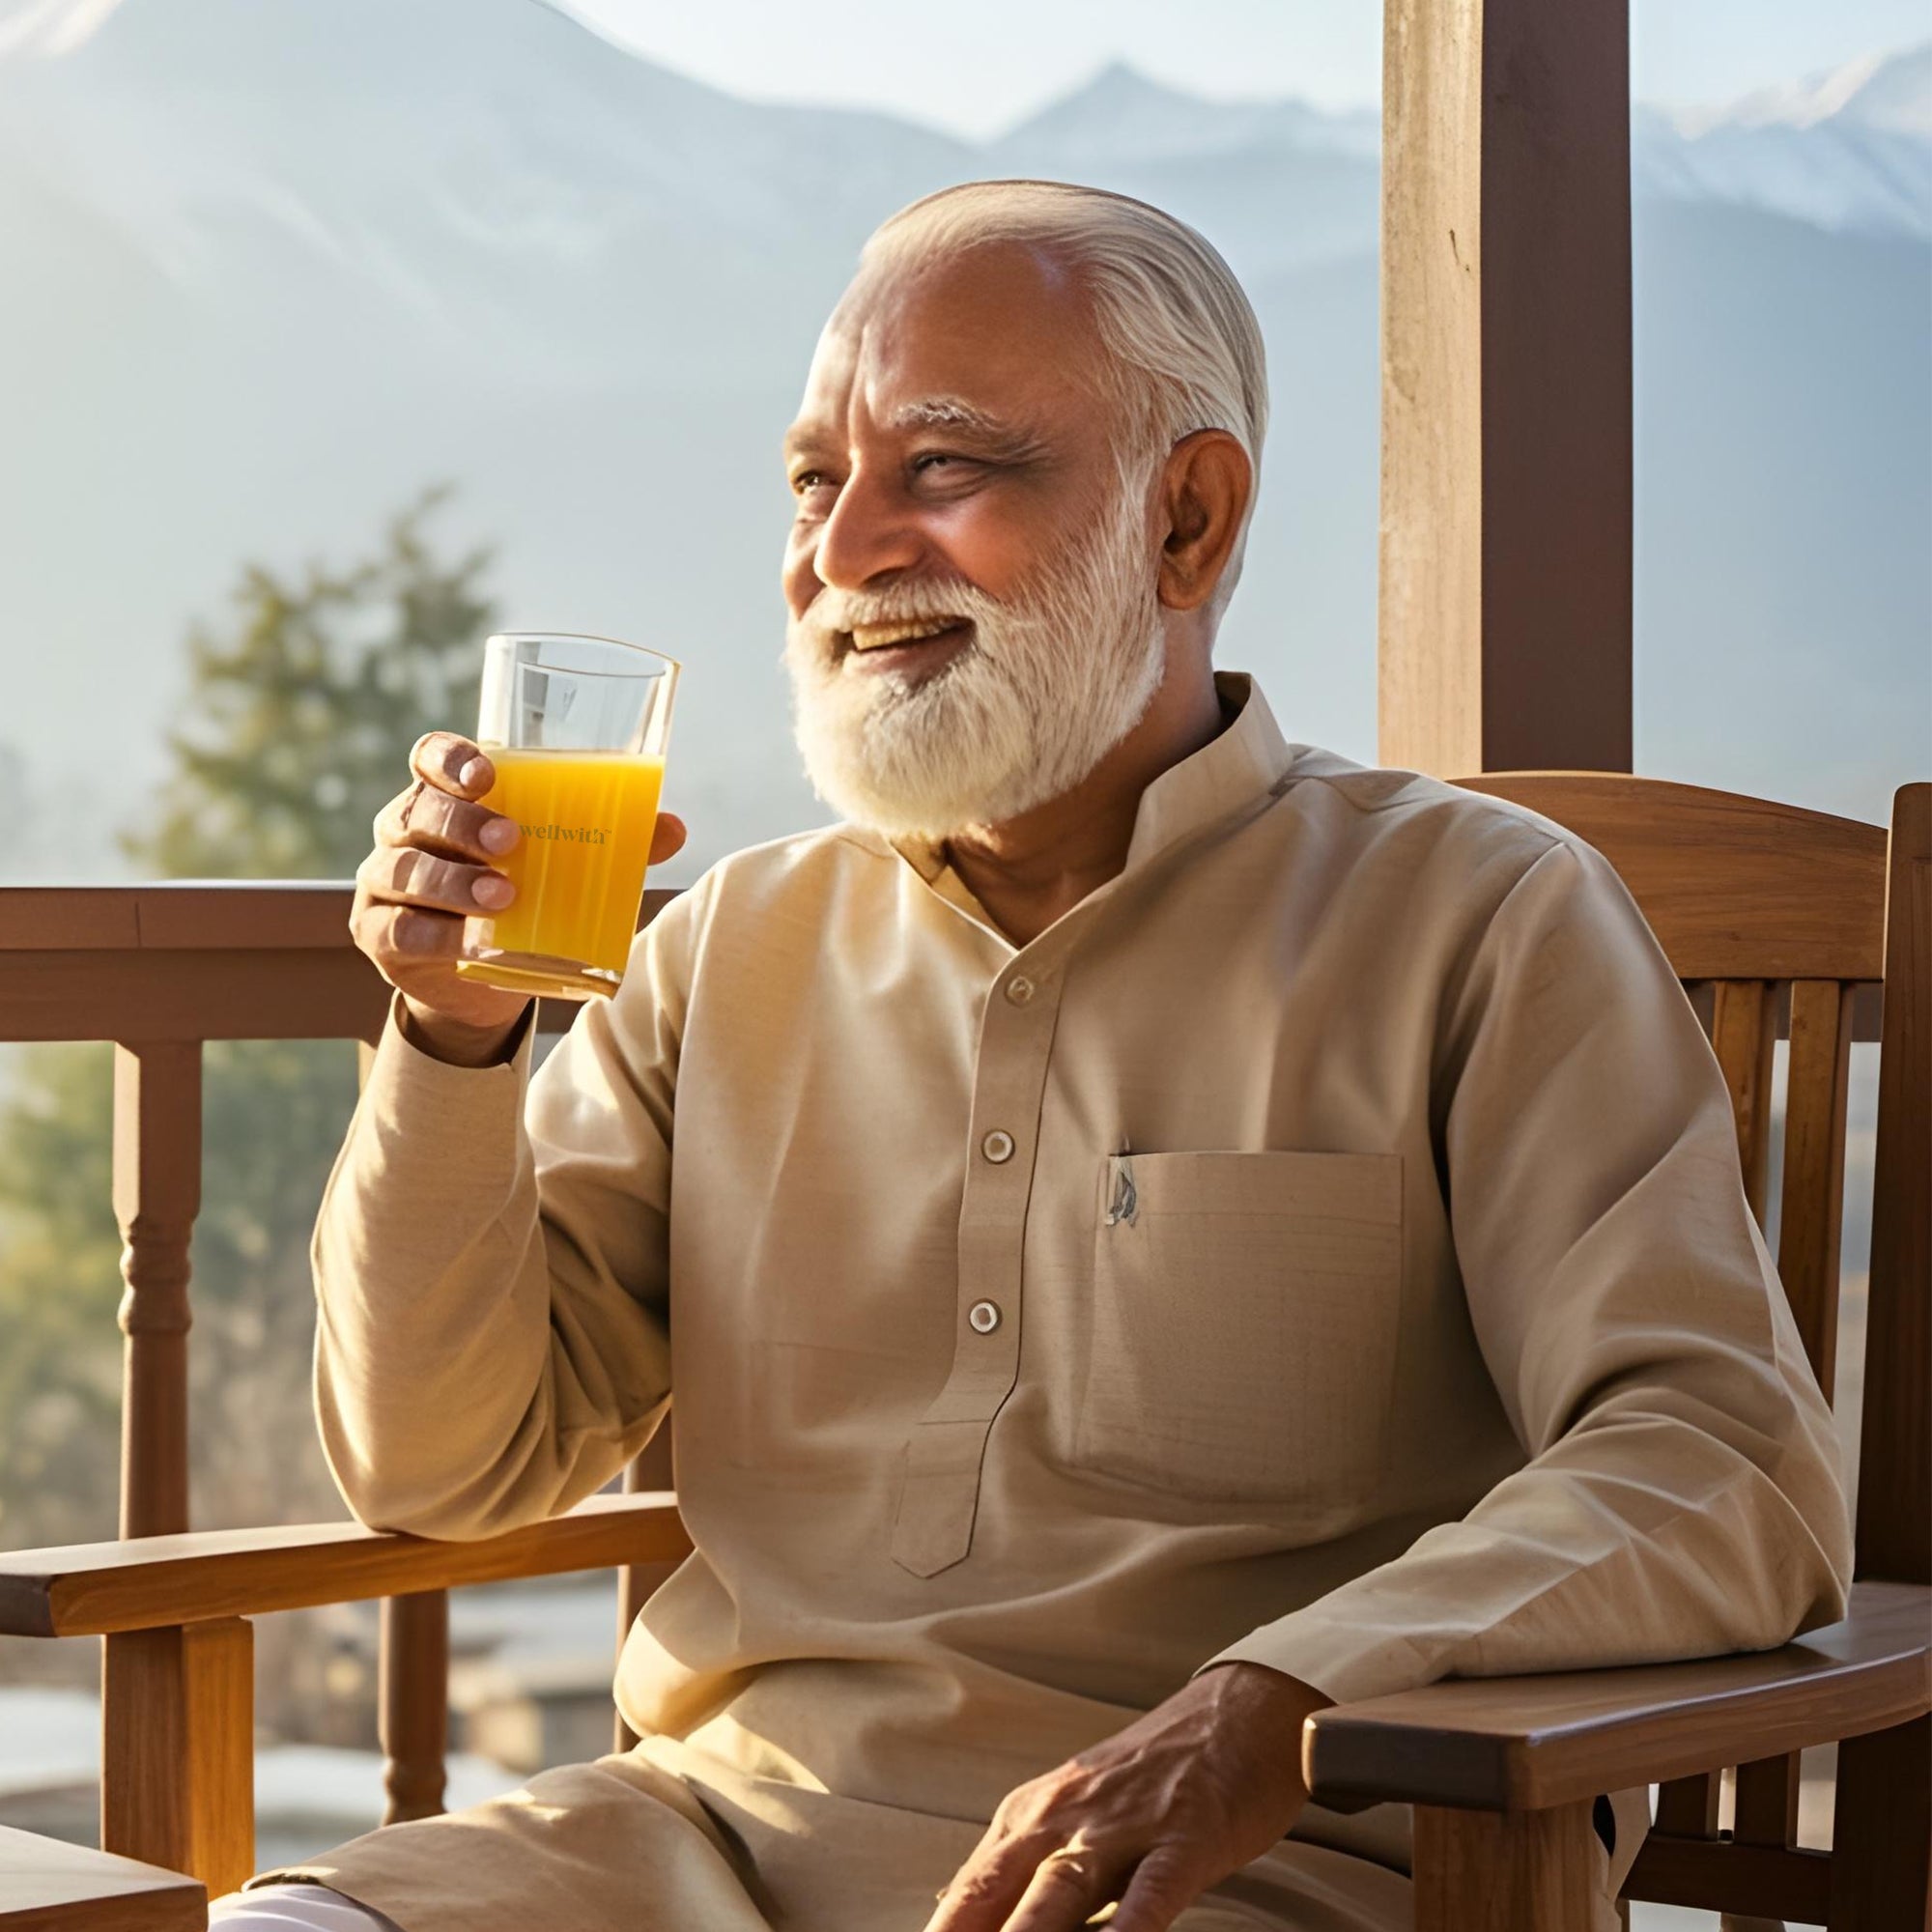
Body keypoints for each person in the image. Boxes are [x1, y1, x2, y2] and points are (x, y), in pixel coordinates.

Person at [216, 181, 1850, 1932]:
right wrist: (452, 1037)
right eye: (813, 482)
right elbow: (440, 1464)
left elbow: (1726, 1461)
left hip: (1233, 1871)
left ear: (1189, 521)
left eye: (944, 470)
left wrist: (1279, 1702)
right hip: (694, 1854)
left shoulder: (1483, 920)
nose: (842, 557)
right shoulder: (722, 947)